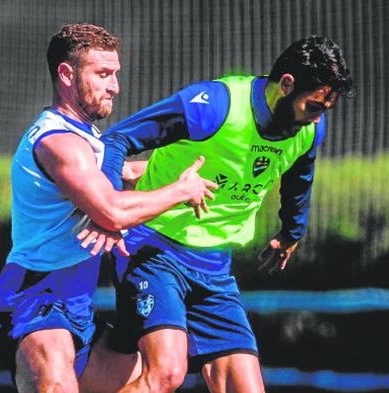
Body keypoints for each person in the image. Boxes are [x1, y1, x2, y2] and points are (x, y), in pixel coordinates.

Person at [97, 35, 354, 392]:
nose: (315, 119)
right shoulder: (214, 105)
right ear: (287, 85)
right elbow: (117, 140)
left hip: (215, 269)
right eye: (312, 106)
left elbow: (299, 177)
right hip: (153, 249)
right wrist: (106, 209)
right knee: (167, 373)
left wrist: (291, 232)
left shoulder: (309, 129)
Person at [0, 23, 217, 393]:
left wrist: (214, 176)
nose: (115, 87)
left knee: (161, 377)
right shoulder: (57, 142)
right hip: (37, 301)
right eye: (103, 74)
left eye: (116, 75)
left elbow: (130, 175)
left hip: (78, 307)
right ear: (66, 74)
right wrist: (178, 191)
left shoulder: (88, 141)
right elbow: (111, 210)